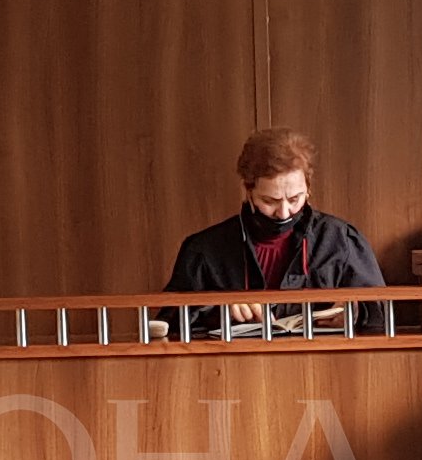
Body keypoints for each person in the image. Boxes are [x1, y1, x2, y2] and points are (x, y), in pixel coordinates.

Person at [163, 130, 389, 327]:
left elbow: (383, 312)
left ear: (308, 188)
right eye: (270, 201)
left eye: (294, 199)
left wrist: (356, 312)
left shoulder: (342, 239)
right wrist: (217, 311)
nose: (284, 212)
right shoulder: (204, 249)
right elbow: (168, 322)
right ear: (248, 191)